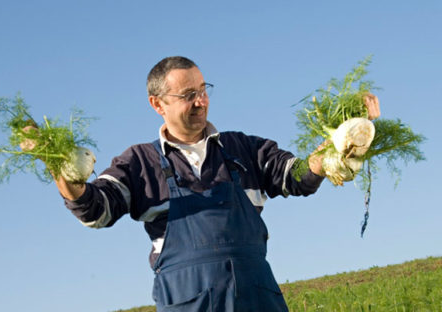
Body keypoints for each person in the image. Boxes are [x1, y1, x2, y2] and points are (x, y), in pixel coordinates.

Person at [51, 56, 380, 311]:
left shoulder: (243, 149)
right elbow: (96, 209)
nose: (201, 101)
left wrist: (345, 136)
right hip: (188, 301)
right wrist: (57, 164)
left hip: (258, 297)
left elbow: (296, 177)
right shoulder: (139, 164)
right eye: (188, 95)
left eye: (204, 90)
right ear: (157, 104)